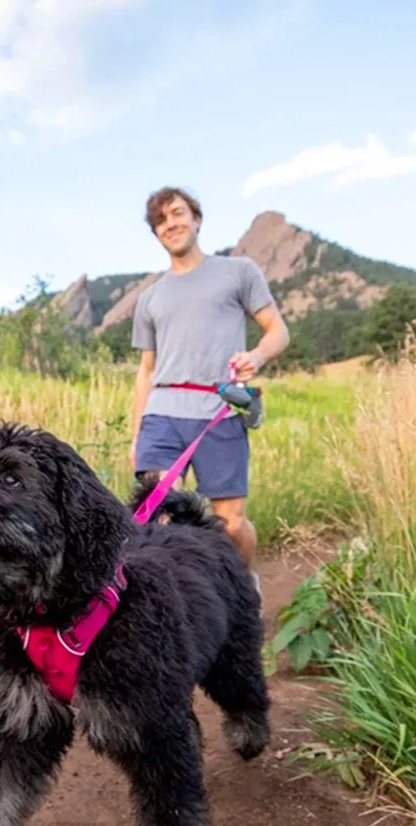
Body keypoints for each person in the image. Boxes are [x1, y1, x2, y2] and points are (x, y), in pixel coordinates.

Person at [130, 186, 290, 593]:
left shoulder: (238, 272)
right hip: (163, 413)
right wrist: (136, 434)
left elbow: (278, 331)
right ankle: (182, 607)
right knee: (160, 517)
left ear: (196, 219)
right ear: (157, 234)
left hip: (218, 409)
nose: (172, 224)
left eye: (178, 213)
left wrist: (258, 356)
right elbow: (146, 369)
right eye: (162, 220)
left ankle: (243, 584)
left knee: (231, 526)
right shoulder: (149, 298)